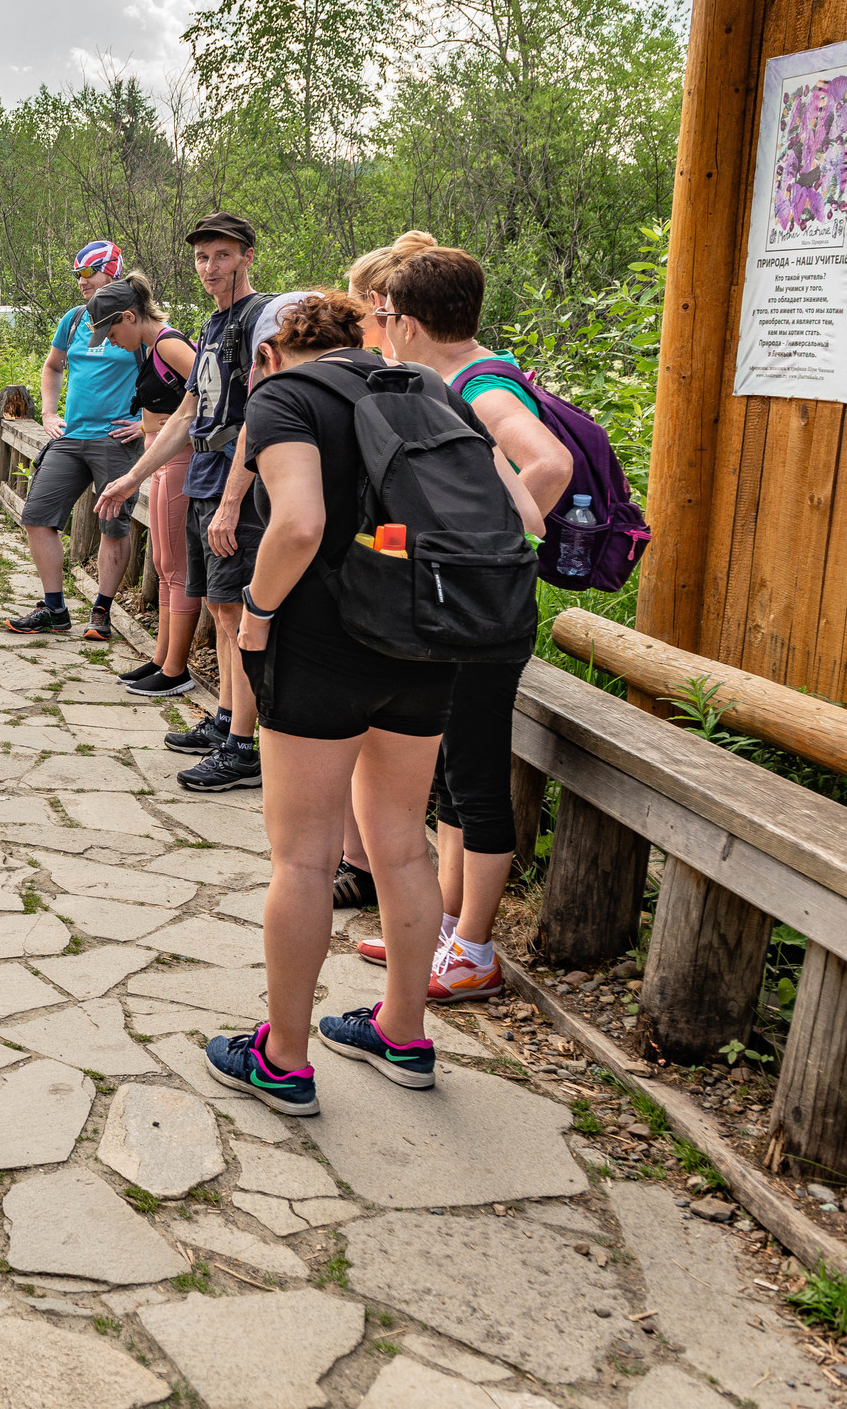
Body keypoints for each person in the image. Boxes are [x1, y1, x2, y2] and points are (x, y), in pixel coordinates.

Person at [202, 292, 493, 1116]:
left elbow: (298, 525)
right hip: (424, 639)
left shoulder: (282, 398)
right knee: (401, 845)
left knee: (302, 856)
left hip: (323, 646)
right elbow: (511, 507)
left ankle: (282, 1058)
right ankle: (403, 1032)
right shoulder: (423, 390)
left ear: (269, 353)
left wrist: (256, 615)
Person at [354, 245, 573, 1003]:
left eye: (382, 316)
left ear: (406, 322)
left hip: (481, 610)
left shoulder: (479, 385)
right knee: (449, 770)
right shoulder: (450, 379)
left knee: (476, 776)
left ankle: (475, 946)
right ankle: (443, 926)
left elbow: (547, 464)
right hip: (456, 608)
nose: (379, 328)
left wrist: (477, 540)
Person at [97, 212, 269, 794]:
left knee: (236, 612)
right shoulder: (214, 324)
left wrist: (230, 502)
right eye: (201, 258)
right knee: (221, 609)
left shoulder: (254, 322)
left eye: (222, 256)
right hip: (203, 472)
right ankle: (226, 719)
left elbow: (257, 415)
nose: (210, 267)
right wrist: (132, 479)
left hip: (234, 483)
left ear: (246, 256)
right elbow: (190, 411)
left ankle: (244, 747)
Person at [322, 232, 434, 911]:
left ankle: (361, 863)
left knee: (358, 742)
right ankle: (358, 858)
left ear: (381, 306)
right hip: (408, 576)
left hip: (389, 578)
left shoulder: (403, 380)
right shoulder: (404, 376)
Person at [5, 242, 141, 639]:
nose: (81, 282)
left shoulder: (135, 322)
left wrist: (147, 425)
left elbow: (174, 382)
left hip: (117, 440)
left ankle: (101, 611)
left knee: (112, 526)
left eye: (88, 274)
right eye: (77, 274)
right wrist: (48, 413)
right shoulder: (75, 318)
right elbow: (52, 366)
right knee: (37, 517)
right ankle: (54, 609)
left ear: (110, 273)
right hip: (72, 434)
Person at [111, 287, 200, 698]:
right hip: (162, 461)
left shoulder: (169, 344)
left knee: (176, 567)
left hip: (181, 458)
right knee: (164, 563)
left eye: (110, 332)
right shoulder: (153, 349)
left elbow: (210, 390)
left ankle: (176, 669)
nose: (111, 342)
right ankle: (163, 657)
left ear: (128, 317)